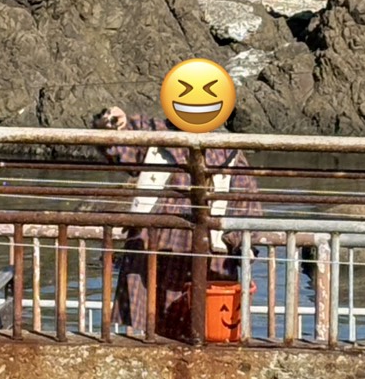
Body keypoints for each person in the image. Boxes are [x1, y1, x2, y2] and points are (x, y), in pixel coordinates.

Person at [95, 106, 261, 340]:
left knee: (203, 331)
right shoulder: (155, 134)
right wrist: (112, 124)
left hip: (204, 252)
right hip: (155, 247)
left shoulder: (230, 153)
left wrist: (243, 245)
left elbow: (246, 208)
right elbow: (117, 147)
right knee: (153, 330)